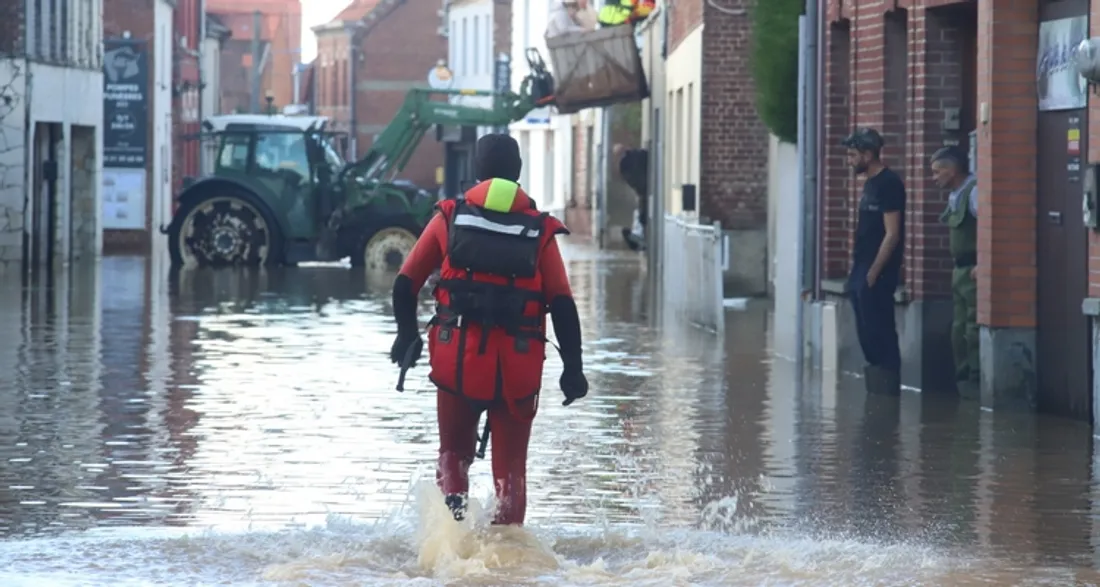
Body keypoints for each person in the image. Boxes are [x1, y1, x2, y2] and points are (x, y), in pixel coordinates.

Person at [389, 133, 590, 526]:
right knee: (510, 475)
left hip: (457, 360)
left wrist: (406, 335)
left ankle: (452, 536)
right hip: (517, 368)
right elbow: (563, 303)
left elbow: (405, 281)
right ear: (518, 173)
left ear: (476, 173)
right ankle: (508, 559)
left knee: (452, 455)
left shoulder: (449, 217)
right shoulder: (540, 230)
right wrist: (574, 369)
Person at [843, 127, 905, 395]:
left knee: (879, 327)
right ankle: (876, 400)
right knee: (864, 326)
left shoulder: (889, 184)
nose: (850, 160)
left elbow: (892, 233)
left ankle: (886, 393)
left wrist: (874, 271)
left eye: (853, 155)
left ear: (868, 155)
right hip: (861, 265)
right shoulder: (869, 184)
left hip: (876, 270)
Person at [932, 146, 979, 397]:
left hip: (973, 270)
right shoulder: (956, 194)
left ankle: (975, 383)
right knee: (959, 330)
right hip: (959, 271)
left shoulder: (974, 193)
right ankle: (965, 388)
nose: (934, 177)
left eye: (937, 171)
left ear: (952, 170)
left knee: (971, 330)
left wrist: (984, 263)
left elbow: (990, 225)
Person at [613, 144, 648, 251]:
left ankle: (640, 236)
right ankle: (640, 235)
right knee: (641, 211)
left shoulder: (625, 164)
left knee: (641, 211)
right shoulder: (635, 157)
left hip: (644, 190)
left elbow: (630, 178)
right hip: (644, 190)